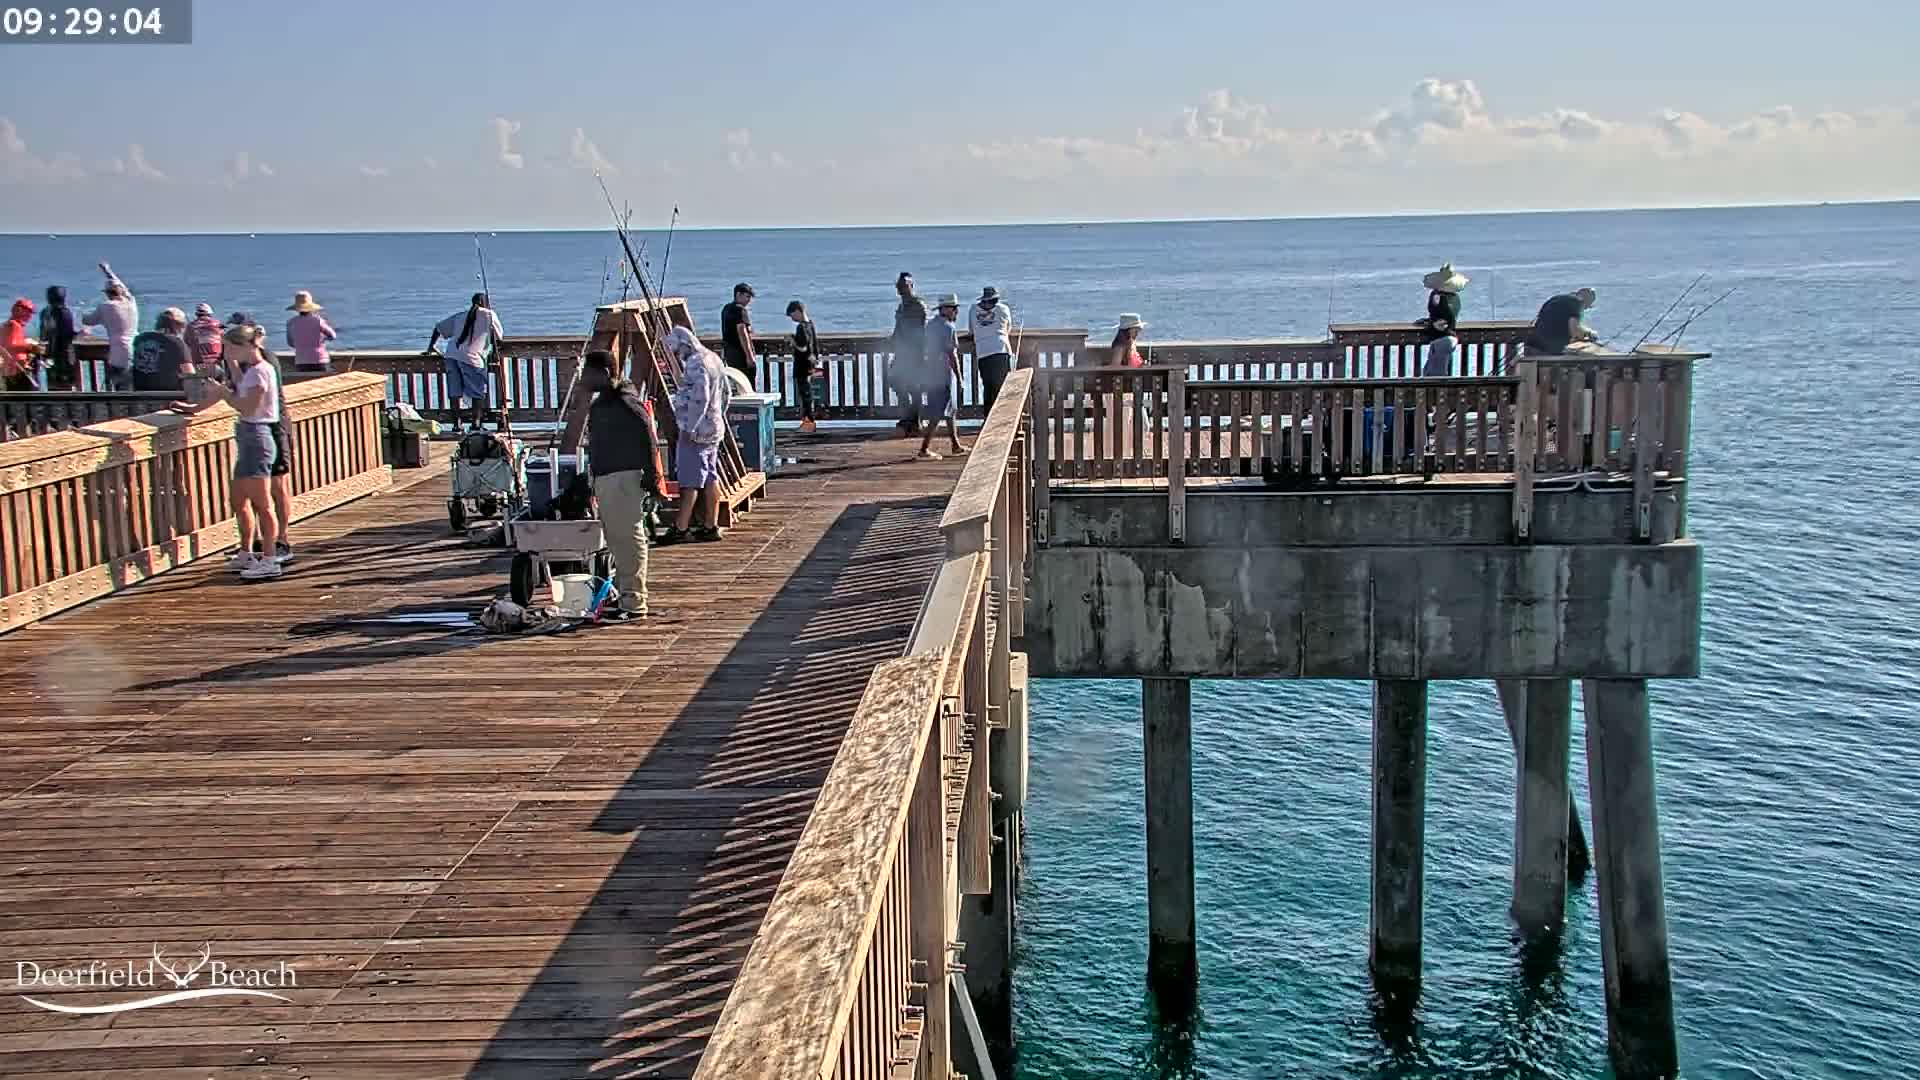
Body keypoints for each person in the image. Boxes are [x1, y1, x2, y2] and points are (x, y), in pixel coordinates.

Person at [578, 348, 670, 618]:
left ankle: (634, 602)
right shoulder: (603, 402)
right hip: (606, 478)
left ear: (605, 373)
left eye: (588, 372)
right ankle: (622, 593)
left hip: (624, 478)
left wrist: (653, 479)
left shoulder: (626, 402)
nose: (583, 377)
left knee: (629, 541)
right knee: (617, 542)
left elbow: (648, 438)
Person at [193, 322, 284, 580]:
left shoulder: (260, 372)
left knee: (263, 504)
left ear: (245, 346)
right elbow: (241, 387)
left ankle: (269, 558)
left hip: (257, 436)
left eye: (230, 348)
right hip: (248, 437)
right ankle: (246, 552)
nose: (226, 353)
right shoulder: (254, 370)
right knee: (239, 500)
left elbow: (248, 407)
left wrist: (223, 393)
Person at [660, 327, 729, 544]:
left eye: (677, 350)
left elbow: (701, 398)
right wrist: (719, 416)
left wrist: (690, 427)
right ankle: (710, 525)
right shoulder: (713, 358)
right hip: (714, 427)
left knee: (689, 479)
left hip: (696, 432)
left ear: (684, 346)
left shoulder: (695, 364)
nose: (677, 355)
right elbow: (725, 392)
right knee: (710, 476)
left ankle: (681, 528)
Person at [427, 292, 504, 429]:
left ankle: (457, 423)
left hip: (451, 355)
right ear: (485, 303)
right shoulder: (489, 315)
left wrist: (431, 347)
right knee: (478, 392)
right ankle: (476, 423)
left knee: (455, 391)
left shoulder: (461, 316)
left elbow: (439, 328)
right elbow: (499, 336)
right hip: (472, 358)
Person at [917, 295, 970, 460]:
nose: (956, 312)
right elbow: (952, 355)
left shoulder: (930, 325)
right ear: (946, 309)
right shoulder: (948, 328)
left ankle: (955, 445)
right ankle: (924, 449)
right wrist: (960, 378)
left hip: (929, 373)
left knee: (950, 410)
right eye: (954, 308)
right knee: (938, 412)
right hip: (941, 375)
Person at [83, 264, 138, 390]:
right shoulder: (131, 302)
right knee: (133, 387)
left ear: (107, 293)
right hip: (135, 349)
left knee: (121, 389)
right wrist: (108, 271)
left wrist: (80, 314)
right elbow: (122, 287)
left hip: (118, 354)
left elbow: (88, 320)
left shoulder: (106, 306)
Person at [891, 272, 928, 436]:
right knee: (897, 383)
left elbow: (925, 329)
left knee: (916, 388)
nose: (902, 289)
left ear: (911, 286)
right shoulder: (901, 306)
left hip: (916, 353)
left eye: (905, 285)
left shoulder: (918, 305)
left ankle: (916, 420)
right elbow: (898, 328)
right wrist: (892, 340)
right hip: (901, 352)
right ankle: (908, 417)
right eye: (899, 286)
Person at [971, 286, 1014, 410]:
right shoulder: (1003, 309)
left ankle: (988, 416)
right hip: (1001, 349)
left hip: (983, 352)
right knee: (1002, 387)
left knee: (988, 387)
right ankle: (1003, 414)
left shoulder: (973, 309)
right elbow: (1008, 328)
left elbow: (971, 329)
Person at [130, 308, 193, 392]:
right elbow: (190, 374)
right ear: (180, 326)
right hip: (168, 395)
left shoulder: (140, 339)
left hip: (140, 391)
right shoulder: (176, 343)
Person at [1525, 288, 1599, 355]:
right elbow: (1575, 330)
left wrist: (1587, 330)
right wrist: (1589, 334)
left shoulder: (1557, 299)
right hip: (1550, 348)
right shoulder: (1577, 303)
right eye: (1588, 306)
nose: (1585, 309)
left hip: (1534, 343)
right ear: (1586, 300)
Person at [38, 286, 82, 391]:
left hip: (49, 352)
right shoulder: (64, 312)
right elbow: (67, 335)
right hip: (64, 353)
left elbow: (43, 333)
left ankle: (54, 405)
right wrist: (80, 333)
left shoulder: (45, 312)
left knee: (52, 383)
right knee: (65, 385)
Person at [786, 300, 820, 433]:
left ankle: (808, 423)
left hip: (802, 365)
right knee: (808, 394)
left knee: (805, 395)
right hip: (809, 365)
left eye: (792, 315)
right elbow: (814, 344)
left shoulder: (801, 327)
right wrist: (816, 358)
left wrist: (791, 341)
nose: (792, 318)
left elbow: (802, 347)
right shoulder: (810, 325)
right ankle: (809, 422)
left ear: (797, 311)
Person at [284, 290, 336, 375]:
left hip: (301, 361)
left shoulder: (291, 323)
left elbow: (291, 343)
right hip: (320, 360)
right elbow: (333, 336)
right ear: (311, 307)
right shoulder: (318, 321)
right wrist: (322, 339)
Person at [1419, 264, 1468, 346]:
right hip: (1451, 335)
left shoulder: (1437, 296)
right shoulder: (1455, 297)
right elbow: (1451, 314)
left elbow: (1438, 312)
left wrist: (1433, 322)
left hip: (1440, 335)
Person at [719, 283, 756, 383]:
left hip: (729, 352)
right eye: (747, 296)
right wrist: (749, 356)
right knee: (747, 382)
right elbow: (742, 332)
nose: (749, 300)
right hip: (740, 353)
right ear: (738, 294)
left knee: (737, 382)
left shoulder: (726, 309)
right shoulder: (741, 310)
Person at [2, 299, 40, 391]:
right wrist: (30, 345)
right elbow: (10, 345)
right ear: (19, 310)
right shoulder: (14, 325)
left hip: (10, 370)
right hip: (19, 369)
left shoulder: (7, 324)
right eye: (28, 312)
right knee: (28, 397)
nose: (30, 316)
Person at [184, 302, 224, 378]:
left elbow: (186, 343)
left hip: (200, 364)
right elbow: (224, 341)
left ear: (197, 314)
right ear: (210, 314)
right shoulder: (218, 324)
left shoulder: (191, 326)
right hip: (217, 363)